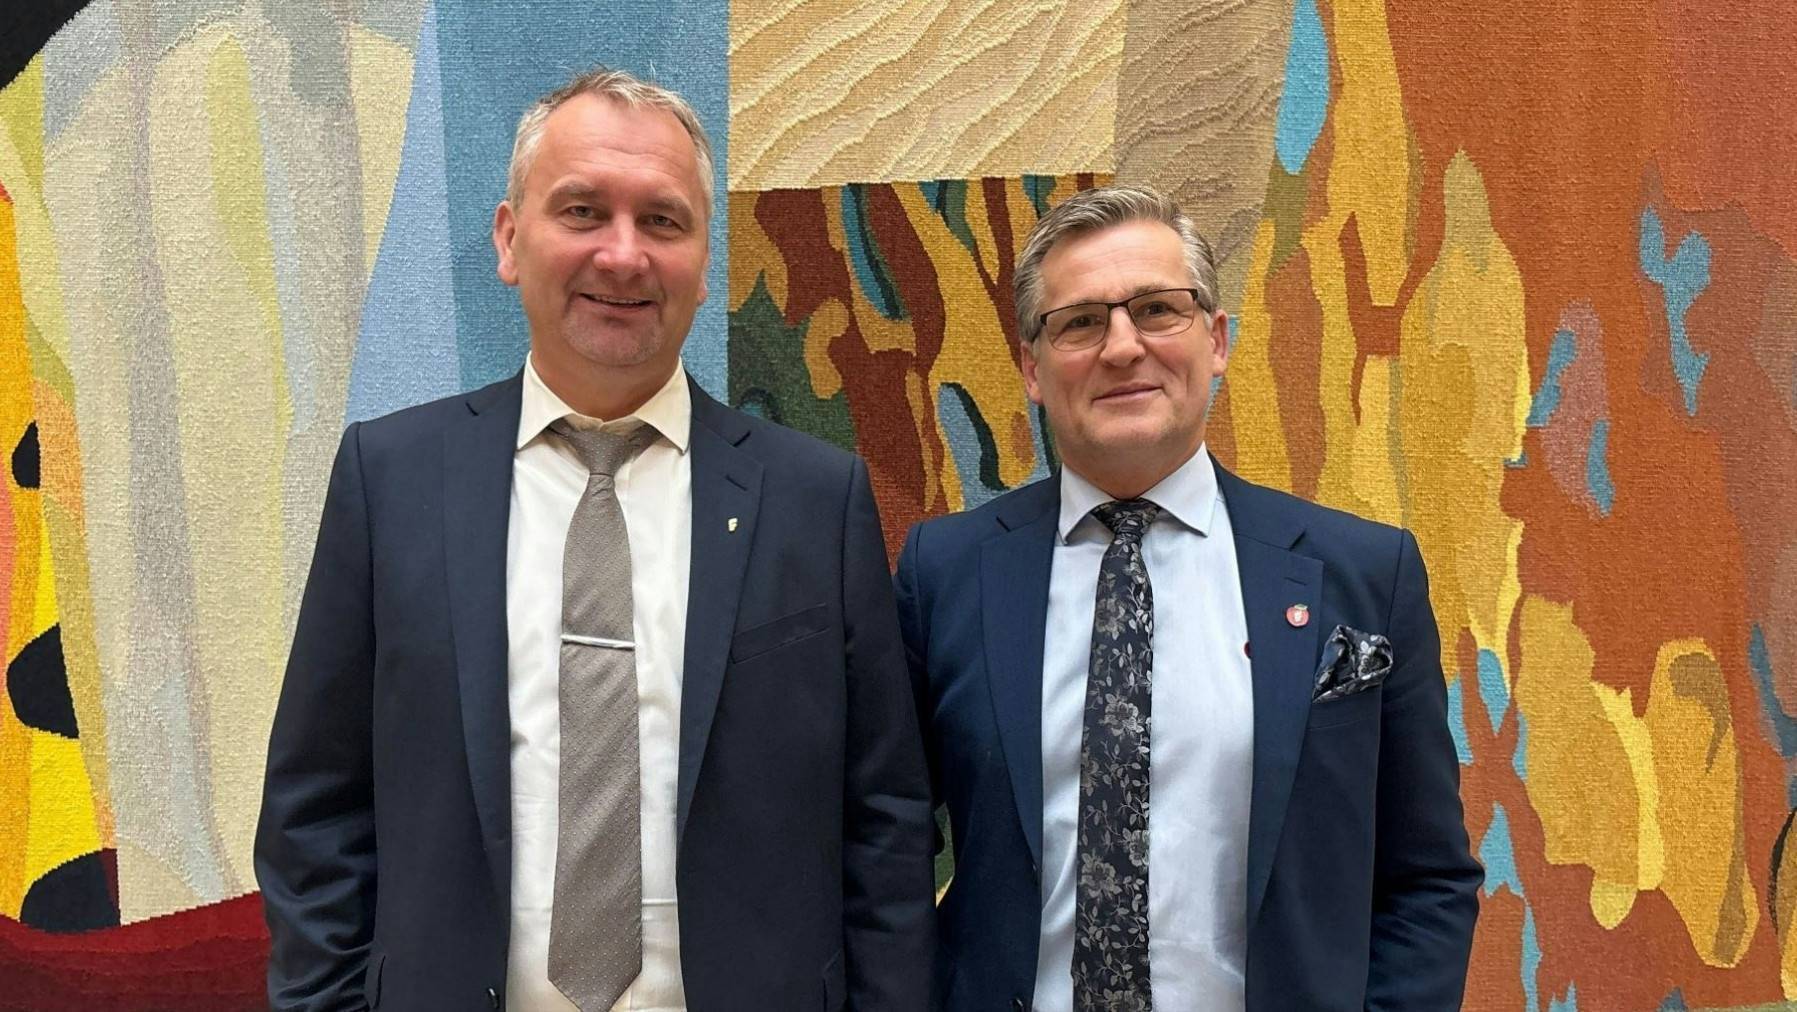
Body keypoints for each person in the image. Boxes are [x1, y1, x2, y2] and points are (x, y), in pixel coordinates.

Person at [256, 67, 935, 1012]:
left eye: (662, 221)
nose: (622, 255)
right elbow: (316, 809)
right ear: (509, 239)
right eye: (582, 211)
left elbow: (886, 819)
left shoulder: (816, 500)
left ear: (704, 263)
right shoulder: (390, 479)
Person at [895, 185, 1481, 1011]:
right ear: (1031, 369)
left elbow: (1427, 878)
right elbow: (879, 845)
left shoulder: (1360, 573)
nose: (1122, 347)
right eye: (1080, 323)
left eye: (1156, 310)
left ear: (1216, 340)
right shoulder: (945, 574)